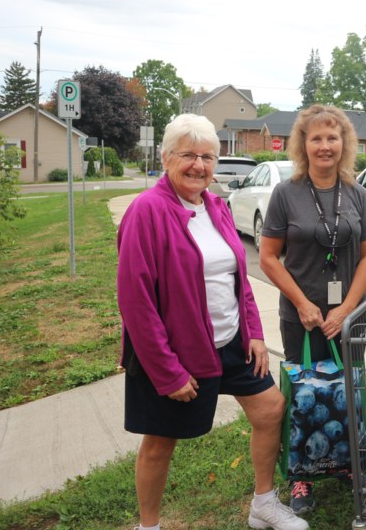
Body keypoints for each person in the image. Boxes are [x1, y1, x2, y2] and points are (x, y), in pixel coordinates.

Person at [117, 114, 307, 530]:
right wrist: (168, 373)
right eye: (188, 155)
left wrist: (254, 334)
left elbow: (238, 280)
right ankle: (148, 526)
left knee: (270, 409)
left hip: (231, 342)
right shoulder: (146, 212)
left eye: (207, 157)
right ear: (166, 157)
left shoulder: (216, 207)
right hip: (177, 352)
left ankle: (263, 503)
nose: (199, 166)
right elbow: (136, 302)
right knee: (160, 442)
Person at [259, 104, 366, 515]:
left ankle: (347, 463)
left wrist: (346, 308)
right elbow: (269, 257)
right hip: (301, 317)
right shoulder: (285, 194)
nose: (325, 146)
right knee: (303, 392)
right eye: (316, 138)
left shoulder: (357, 193)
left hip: (345, 319)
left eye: (332, 138)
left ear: (343, 144)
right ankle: (301, 476)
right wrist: (303, 304)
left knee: (348, 391)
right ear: (303, 145)